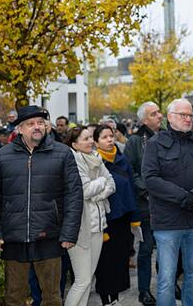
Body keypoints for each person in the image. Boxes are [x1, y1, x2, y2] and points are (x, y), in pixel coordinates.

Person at [0, 105, 83, 306]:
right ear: (20, 129)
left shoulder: (63, 153)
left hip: (49, 235)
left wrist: (69, 233)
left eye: (40, 122)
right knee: (14, 297)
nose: (36, 127)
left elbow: (74, 196)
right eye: (30, 124)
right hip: (13, 237)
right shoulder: (3, 156)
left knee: (52, 297)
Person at [142, 98, 193, 306]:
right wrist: (184, 197)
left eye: (190, 115)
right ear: (170, 117)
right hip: (168, 221)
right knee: (167, 277)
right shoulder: (155, 144)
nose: (187, 119)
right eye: (182, 115)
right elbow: (151, 179)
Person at [63, 126, 116, 306]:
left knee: (88, 278)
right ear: (74, 144)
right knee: (82, 280)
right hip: (80, 228)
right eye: (85, 139)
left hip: (98, 225)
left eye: (91, 138)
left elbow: (112, 185)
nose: (91, 142)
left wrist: (97, 192)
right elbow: (86, 191)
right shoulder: (73, 161)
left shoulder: (96, 158)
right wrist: (100, 182)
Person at [93, 124, 141, 305]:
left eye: (111, 136)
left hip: (122, 219)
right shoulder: (94, 162)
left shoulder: (122, 160)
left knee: (121, 261)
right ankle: (106, 299)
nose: (109, 140)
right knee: (105, 263)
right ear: (96, 141)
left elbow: (132, 189)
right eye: (104, 137)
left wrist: (135, 217)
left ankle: (116, 299)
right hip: (104, 220)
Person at [123, 101, 163, 306]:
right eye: (154, 114)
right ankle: (144, 290)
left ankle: (168, 284)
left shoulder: (166, 137)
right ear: (144, 119)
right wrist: (148, 190)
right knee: (146, 248)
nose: (160, 116)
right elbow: (129, 169)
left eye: (159, 112)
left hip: (167, 203)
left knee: (168, 248)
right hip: (145, 203)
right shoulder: (135, 141)